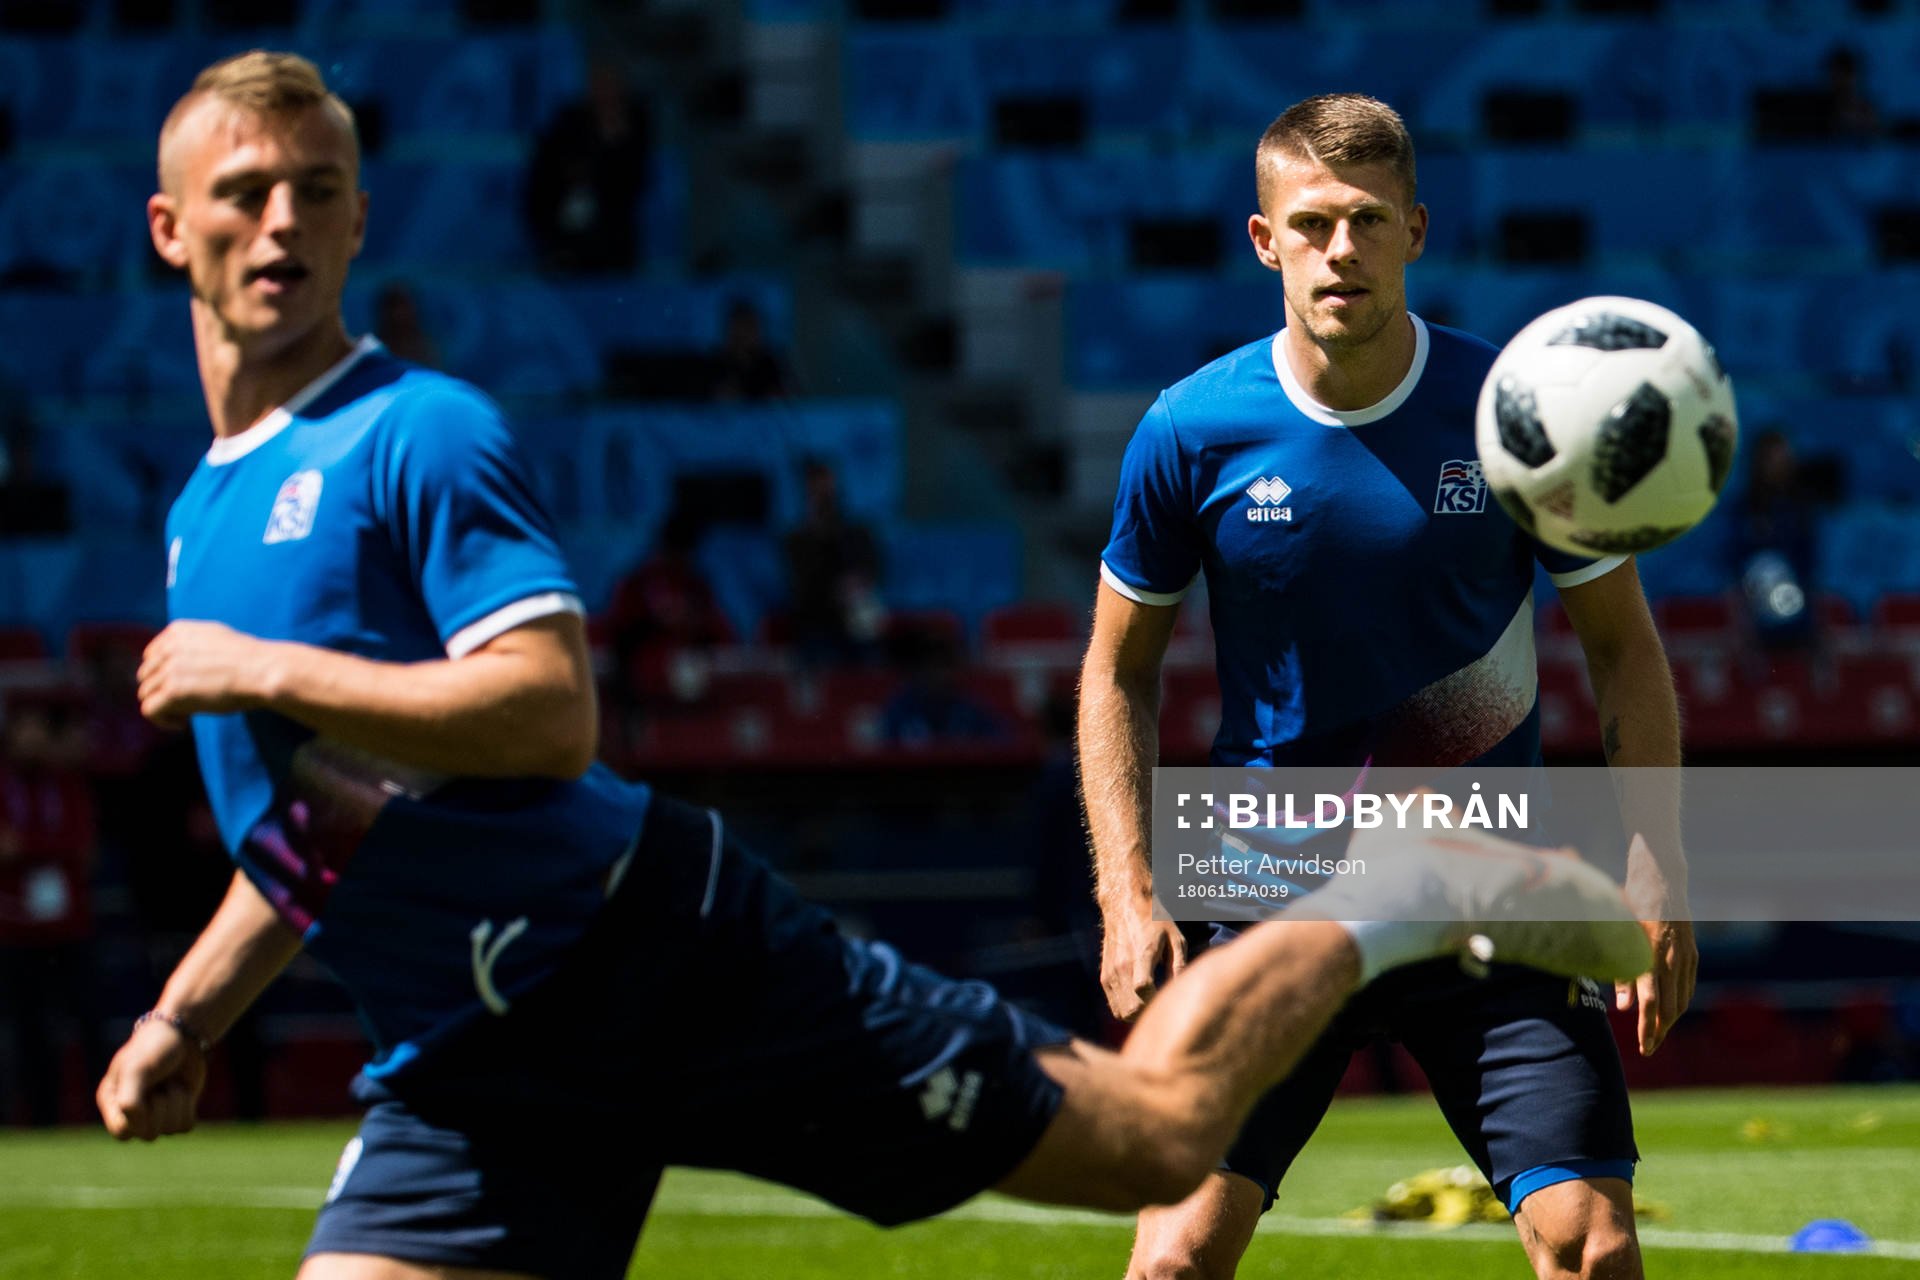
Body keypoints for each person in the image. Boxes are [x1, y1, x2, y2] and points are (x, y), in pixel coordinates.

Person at [98, 55, 1652, 1280]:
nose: (283, 223)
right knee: (1168, 1232)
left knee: (1210, 1155)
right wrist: (186, 1013)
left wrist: (1657, 863)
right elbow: (335, 809)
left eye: (317, 189)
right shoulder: (203, 521)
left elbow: (542, 712)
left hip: (646, 945)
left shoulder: (418, 434)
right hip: (474, 1044)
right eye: (245, 194)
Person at [1080, 95, 1696, 1280]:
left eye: (1366, 220)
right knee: (1174, 1258)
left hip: (1484, 888)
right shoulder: (1188, 432)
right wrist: (1127, 887)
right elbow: (1118, 671)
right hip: (1265, 890)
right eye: (1310, 224)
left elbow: (1625, 647)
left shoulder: (1516, 418)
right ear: (1264, 241)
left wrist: (1658, 857)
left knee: (1592, 1246)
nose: (1340, 250)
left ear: (1416, 227)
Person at [524, 59, 650, 275]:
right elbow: (548, 161)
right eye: (599, 84)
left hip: (611, 211)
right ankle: (563, 254)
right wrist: (573, 174)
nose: (605, 92)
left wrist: (613, 144)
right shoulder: (570, 120)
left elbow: (633, 177)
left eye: (611, 84)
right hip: (567, 199)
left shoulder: (635, 123)